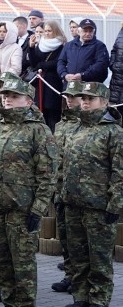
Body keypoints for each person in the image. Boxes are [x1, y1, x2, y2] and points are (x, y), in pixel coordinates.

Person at [0, 76, 56, 307]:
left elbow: (47, 174)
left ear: (28, 100)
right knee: (2, 260)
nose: (6, 98)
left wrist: (38, 208)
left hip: (22, 208)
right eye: (4, 94)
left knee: (22, 263)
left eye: (13, 95)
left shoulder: (38, 130)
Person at [59, 81, 121, 307]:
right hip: (73, 202)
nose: (84, 102)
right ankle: (81, 296)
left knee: (99, 255)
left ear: (104, 102)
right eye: (83, 98)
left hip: (98, 205)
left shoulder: (113, 131)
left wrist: (115, 203)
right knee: (77, 254)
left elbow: (119, 172)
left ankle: (100, 298)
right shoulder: (75, 128)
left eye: (90, 99)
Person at [51, 81, 84, 295]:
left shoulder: (87, 125)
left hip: (81, 192)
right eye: (67, 96)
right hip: (61, 189)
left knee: (79, 241)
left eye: (74, 96)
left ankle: (83, 281)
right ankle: (70, 275)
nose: (70, 100)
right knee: (65, 236)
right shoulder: (61, 125)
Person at [28, 20, 67, 131]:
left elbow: (58, 62)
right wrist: (31, 47)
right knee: (40, 110)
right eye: (45, 31)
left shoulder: (62, 45)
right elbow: (34, 63)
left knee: (52, 111)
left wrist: (42, 65)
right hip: (39, 82)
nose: (46, 33)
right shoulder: (41, 44)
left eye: (49, 31)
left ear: (55, 31)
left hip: (53, 82)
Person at [57, 18, 110, 84]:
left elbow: (101, 64)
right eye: (85, 31)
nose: (88, 34)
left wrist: (83, 75)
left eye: (90, 31)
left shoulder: (99, 46)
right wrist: (64, 75)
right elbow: (61, 62)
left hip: (90, 86)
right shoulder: (69, 45)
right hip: (70, 85)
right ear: (79, 32)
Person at [109, 24, 123, 105]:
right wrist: (113, 64)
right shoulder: (121, 31)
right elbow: (114, 49)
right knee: (115, 109)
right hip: (117, 78)